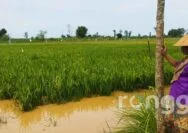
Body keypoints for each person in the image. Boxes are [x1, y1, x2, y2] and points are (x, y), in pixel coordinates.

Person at [161, 35, 188, 119]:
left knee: (181, 118)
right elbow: (176, 64)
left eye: (184, 47)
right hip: (177, 92)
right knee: (175, 117)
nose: (182, 48)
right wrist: (165, 55)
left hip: (183, 92)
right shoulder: (186, 59)